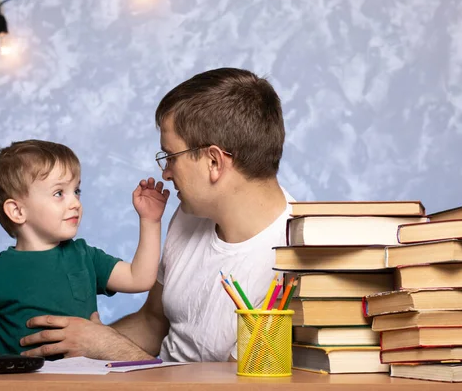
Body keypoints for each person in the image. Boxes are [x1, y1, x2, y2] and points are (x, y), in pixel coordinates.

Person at [19, 67, 294, 362]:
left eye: (170, 157)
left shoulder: (296, 261)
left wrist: (107, 346)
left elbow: (231, 384)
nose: (165, 172)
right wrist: (75, 344)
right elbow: (152, 322)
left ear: (214, 161)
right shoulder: (191, 214)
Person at [0, 140, 169, 358]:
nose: (75, 203)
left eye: (76, 191)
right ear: (17, 211)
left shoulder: (85, 256)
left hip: (83, 383)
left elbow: (140, 278)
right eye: (59, 193)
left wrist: (150, 221)